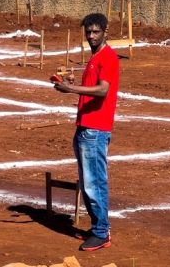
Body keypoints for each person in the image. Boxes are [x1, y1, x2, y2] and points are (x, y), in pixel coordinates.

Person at [54, 13, 120, 252]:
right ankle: (97, 229)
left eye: (95, 32)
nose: (91, 36)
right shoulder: (95, 57)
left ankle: (102, 232)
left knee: (95, 183)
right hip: (85, 127)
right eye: (88, 32)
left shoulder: (108, 58)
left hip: (95, 129)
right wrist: (73, 81)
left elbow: (102, 91)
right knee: (87, 182)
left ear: (105, 32)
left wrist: (69, 88)